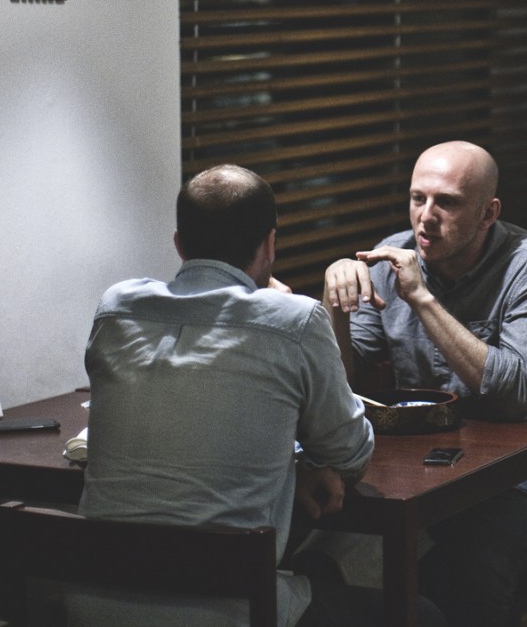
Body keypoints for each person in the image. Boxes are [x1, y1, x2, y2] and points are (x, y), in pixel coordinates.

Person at [78, 164, 441, 627]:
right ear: (270, 243)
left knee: (315, 569)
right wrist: (302, 463)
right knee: (424, 616)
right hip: (229, 609)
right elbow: (351, 456)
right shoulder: (294, 320)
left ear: (179, 244)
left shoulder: (115, 309)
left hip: (91, 604)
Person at [321, 140, 527, 627]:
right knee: (329, 550)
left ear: (487, 213)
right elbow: (343, 380)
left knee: (473, 576)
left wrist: (422, 298)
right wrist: (334, 308)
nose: (426, 217)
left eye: (446, 203)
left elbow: (515, 392)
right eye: (418, 198)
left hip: (516, 474)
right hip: (420, 468)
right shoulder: (393, 256)